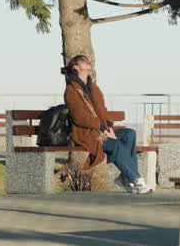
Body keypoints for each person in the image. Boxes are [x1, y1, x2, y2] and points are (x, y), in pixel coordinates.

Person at [61, 55, 152, 193]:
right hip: (85, 133)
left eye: (88, 62)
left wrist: (108, 128)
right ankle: (136, 180)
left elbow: (102, 110)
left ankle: (124, 178)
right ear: (76, 67)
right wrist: (103, 130)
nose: (88, 63)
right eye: (83, 61)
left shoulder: (93, 87)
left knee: (129, 134)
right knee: (114, 145)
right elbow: (80, 118)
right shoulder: (71, 90)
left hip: (101, 129)